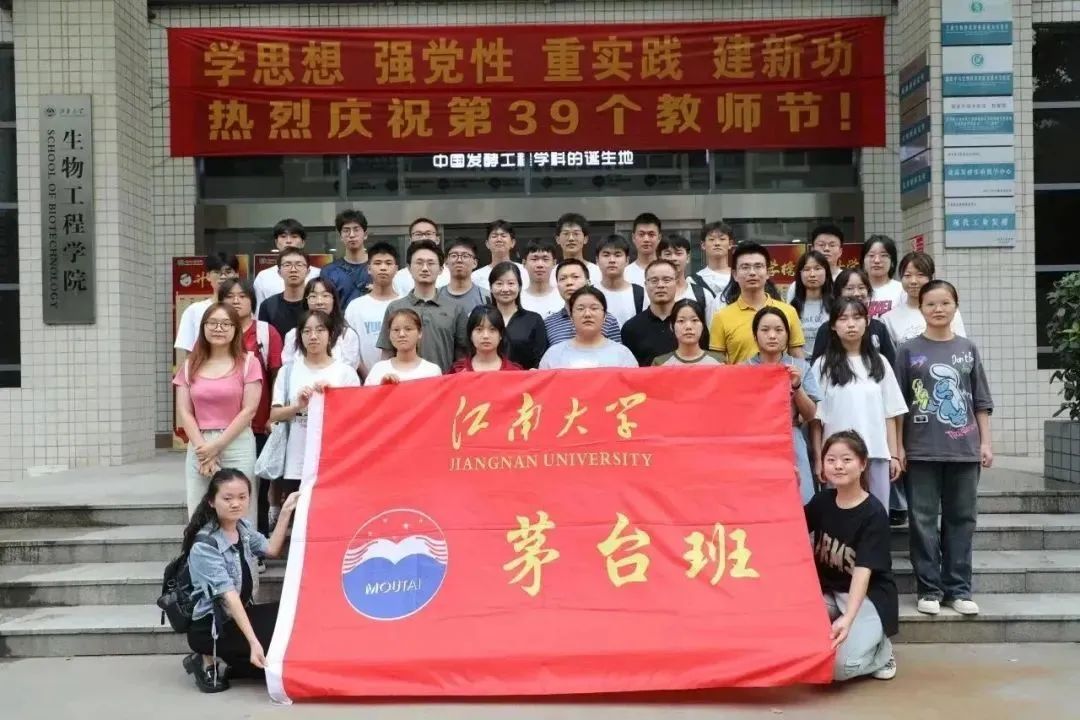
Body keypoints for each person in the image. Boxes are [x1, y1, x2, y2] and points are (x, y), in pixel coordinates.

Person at [894, 280, 994, 617]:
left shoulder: (968, 348)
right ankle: (929, 589)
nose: (938, 309)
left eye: (945, 303)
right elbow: (898, 405)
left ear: (955, 306)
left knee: (962, 519)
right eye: (931, 304)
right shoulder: (907, 350)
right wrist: (899, 447)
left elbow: (980, 401)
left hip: (964, 450)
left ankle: (959, 589)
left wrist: (986, 443)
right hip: (921, 450)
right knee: (922, 520)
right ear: (920, 308)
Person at [182, 469, 295, 693]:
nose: (236, 503)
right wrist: (254, 642)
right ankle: (205, 658)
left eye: (242, 497)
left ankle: (239, 660)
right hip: (212, 627)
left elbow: (271, 549)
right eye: (227, 498)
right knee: (277, 648)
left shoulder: (242, 528)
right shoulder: (205, 545)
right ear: (211, 501)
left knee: (290, 616)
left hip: (238, 616)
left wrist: (285, 511)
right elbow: (230, 597)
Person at [805, 431, 898, 682]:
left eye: (846, 459)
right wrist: (788, 486)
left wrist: (848, 618)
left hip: (867, 597)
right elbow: (790, 525)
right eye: (831, 459)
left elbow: (862, 572)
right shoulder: (822, 501)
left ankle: (881, 651)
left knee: (839, 669)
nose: (838, 466)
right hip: (829, 593)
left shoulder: (873, 514)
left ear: (863, 464)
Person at [811, 298, 907, 513]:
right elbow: (816, 419)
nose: (851, 324)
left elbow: (890, 413)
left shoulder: (880, 362)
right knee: (839, 517)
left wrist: (893, 455)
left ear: (867, 322)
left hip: (876, 453)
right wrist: (819, 459)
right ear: (833, 326)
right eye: (843, 318)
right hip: (837, 459)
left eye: (857, 317)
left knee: (877, 515)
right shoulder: (823, 365)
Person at [173, 304, 261, 524]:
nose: (218, 328)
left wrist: (216, 447)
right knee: (199, 510)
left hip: (237, 443)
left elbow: (249, 410)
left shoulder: (249, 363)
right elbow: (184, 411)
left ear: (235, 329)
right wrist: (204, 450)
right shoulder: (189, 365)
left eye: (225, 324)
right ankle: (201, 547)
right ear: (203, 327)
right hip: (199, 444)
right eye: (212, 323)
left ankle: (243, 547)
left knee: (240, 509)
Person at [270, 310, 361, 507]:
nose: (313, 336)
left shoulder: (346, 373)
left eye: (320, 330)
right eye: (307, 331)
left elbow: (356, 419)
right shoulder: (288, 371)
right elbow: (275, 414)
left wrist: (332, 398)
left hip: (335, 460)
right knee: (297, 516)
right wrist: (298, 406)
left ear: (331, 335)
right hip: (296, 462)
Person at [217, 279, 282, 535]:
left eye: (242, 296)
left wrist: (273, 415)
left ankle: (257, 539)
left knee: (257, 487)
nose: (236, 301)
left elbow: (277, 375)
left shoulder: (266, 333)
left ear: (252, 301)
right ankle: (225, 537)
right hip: (222, 425)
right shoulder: (216, 333)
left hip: (258, 423)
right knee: (225, 485)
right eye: (230, 296)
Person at [744, 307, 821, 504]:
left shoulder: (800, 366)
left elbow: (811, 414)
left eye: (779, 330)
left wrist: (796, 386)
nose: (772, 335)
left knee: (799, 501)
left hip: (791, 438)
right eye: (765, 330)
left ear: (787, 335)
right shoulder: (743, 369)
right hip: (755, 442)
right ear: (755, 335)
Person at [377, 240, 468, 374]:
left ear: (441, 269)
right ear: (409, 268)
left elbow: (462, 355)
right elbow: (387, 352)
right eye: (419, 263)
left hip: (443, 382)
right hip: (404, 382)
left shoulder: (455, 309)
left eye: (431, 263)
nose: (425, 268)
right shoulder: (395, 308)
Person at [709, 242, 805, 364]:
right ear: (735, 275)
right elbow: (717, 364)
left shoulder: (788, 312)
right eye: (745, 267)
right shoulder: (721, 317)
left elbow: (797, 357)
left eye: (758, 266)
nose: (752, 272)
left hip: (779, 377)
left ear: (768, 272)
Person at [624, 260, 708, 367]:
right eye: (654, 280)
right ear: (645, 284)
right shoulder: (631, 328)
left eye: (666, 280)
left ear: (676, 283)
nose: (660, 285)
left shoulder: (692, 325)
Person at [811, 268, 896, 367]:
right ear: (838, 293)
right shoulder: (826, 329)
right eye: (849, 288)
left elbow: (891, 365)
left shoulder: (879, 328)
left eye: (861, 287)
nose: (856, 293)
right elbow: (816, 368)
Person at [881, 251, 968, 346]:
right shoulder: (889, 319)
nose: (913, 281)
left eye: (920, 275)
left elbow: (961, 346)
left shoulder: (947, 311)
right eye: (907, 275)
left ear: (931, 277)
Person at [539, 287, 638, 369]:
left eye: (594, 308)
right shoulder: (553, 355)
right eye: (580, 309)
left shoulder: (622, 354)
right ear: (571, 317)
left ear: (604, 316)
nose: (587, 314)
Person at [344, 242, 401, 380]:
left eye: (388, 263)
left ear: (396, 269)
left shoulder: (404, 304)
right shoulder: (355, 306)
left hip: (400, 378)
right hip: (364, 379)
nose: (383, 267)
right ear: (369, 269)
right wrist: (369, 377)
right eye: (377, 263)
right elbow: (350, 347)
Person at [174, 253, 240, 365]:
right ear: (208, 276)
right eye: (217, 272)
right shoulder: (194, 310)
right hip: (203, 370)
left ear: (236, 275)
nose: (223, 277)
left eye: (228, 272)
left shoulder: (244, 310)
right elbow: (189, 353)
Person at [281, 278, 361, 371]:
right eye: (313, 296)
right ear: (306, 301)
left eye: (325, 295)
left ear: (334, 300)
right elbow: (288, 369)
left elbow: (349, 371)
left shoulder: (346, 335)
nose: (319, 302)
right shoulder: (293, 335)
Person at [543, 258, 621, 345]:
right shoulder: (549, 323)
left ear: (588, 282)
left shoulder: (607, 320)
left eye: (575, 277)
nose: (569, 283)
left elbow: (617, 351)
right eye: (562, 278)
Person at [488, 261, 548, 369]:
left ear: (519, 287)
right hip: (489, 377)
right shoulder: (483, 319)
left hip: (524, 378)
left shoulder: (533, 320)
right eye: (499, 284)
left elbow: (541, 358)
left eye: (511, 283)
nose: (505, 289)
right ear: (491, 287)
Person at [253, 219, 320, 313]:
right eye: (283, 236)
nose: (288, 241)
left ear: (303, 242)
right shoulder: (264, 277)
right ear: (276, 242)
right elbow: (259, 312)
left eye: (294, 236)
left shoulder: (318, 274)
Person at [365, 308, 444, 384]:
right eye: (396, 330)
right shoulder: (379, 369)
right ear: (389, 334)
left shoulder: (432, 371)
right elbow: (367, 393)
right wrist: (382, 387)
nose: (401, 334)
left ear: (420, 333)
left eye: (408, 329)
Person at [319, 210, 372, 309]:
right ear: (341, 236)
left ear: (365, 234)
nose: (351, 235)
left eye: (356, 229)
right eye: (346, 230)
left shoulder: (378, 268)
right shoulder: (329, 271)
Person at [451, 305, 525, 373]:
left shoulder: (515, 371)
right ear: (470, 334)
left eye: (492, 329)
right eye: (479, 329)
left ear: (501, 335)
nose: (485, 336)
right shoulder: (458, 370)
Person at [651, 299, 725, 366]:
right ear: (672, 326)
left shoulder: (719, 362)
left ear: (703, 325)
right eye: (681, 321)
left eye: (694, 320)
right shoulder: (660, 364)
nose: (688, 326)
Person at [257, 248, 309, 340]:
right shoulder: (268, 306)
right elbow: (264, 341)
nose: (293, 270)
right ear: (279, 272)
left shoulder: (316, 303)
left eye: (299, 265)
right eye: (287, 265)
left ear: (308, 271)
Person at [786, 224, 846, 302]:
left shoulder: (847, 280)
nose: (826, 249)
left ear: (840, 251)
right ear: (812, 249)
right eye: (821, 245)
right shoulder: (797, 286)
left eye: (832, 245)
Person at [595, 234, 645, 327]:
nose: (612, 260)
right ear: (597, 260)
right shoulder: (589, 294)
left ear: (627, 260)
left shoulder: (640, 294)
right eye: (606, 255)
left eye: (617, 255)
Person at [789, 250, 833, 353]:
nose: (812, 274)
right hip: (798, 360)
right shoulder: (792, 308)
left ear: (826, 272)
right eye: (806, 269)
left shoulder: (835, 306)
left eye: (817, 268)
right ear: (800, 274)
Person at [392, 218, 451, 295]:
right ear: (410, 240)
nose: (424, 238)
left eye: (428, 234)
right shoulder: (398, 278)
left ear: (437, 239)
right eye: (418, 234)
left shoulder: (450, 276)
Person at [659, 234, 717, 311]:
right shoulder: (650, 293)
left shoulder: (704, 295)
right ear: (660, 258)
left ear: (688, 258)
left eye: (678, 253)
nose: (673, 258)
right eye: (668, 254)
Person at [438, 237, 490, 314]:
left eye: (465, 256)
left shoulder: (486, 297)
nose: (459, 260)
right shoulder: (435, 296)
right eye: (454, 255)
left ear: (475, 263)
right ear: (446, 262)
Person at [472, 219, 527, 292]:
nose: (499, 239)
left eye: (503, 236)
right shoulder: (475, 277)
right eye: (494, 236)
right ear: (487, 244)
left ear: (512, 243)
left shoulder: (525, 271)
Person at [552, 212, 602, 285]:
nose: (571, 238)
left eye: (576, 234)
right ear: (557, 239)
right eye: (566, 234)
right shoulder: (550, 274)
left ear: (585, 239)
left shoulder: (598, 273)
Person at [862, 234, 904, 318]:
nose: (877, 260)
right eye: (871, 255)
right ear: (863, 261)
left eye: (884, 255)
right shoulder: (854, 291)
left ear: (892, 262)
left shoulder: (902, 290)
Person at [519, 240, 564, 319]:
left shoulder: (563, 296)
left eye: (545, 259)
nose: (540, 265)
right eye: (534, 259)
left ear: (554, 263)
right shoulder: (517, 299)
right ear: (524, 263)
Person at [691, 221, 734, 299]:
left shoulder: (739, 276)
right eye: (711, 239)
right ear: (703, 245)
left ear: (730, 244)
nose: (717, 243)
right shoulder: (693, 280)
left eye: (722, 239)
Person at [624, 212, 662, 286]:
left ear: (659, 238)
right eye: (641, 234)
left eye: (651, 234)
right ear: (633, 237)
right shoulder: (624, 274)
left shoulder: (669, 272)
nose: (646, 239)